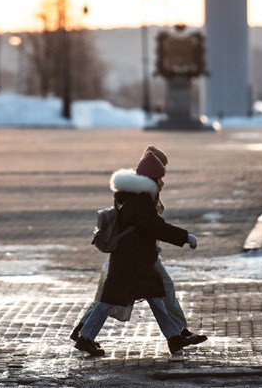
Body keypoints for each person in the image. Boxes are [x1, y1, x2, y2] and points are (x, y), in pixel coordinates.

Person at [70, 146, 207, 348]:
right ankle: (84, 337)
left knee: (155, 294)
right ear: (153, 177)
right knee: (110, 299)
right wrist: (185, 237)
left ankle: (175, 337)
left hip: (137, 257)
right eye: (160, 176)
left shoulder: (132, 194)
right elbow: (154, 226)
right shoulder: (140, 198)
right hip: (131, 259)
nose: (163, 182)